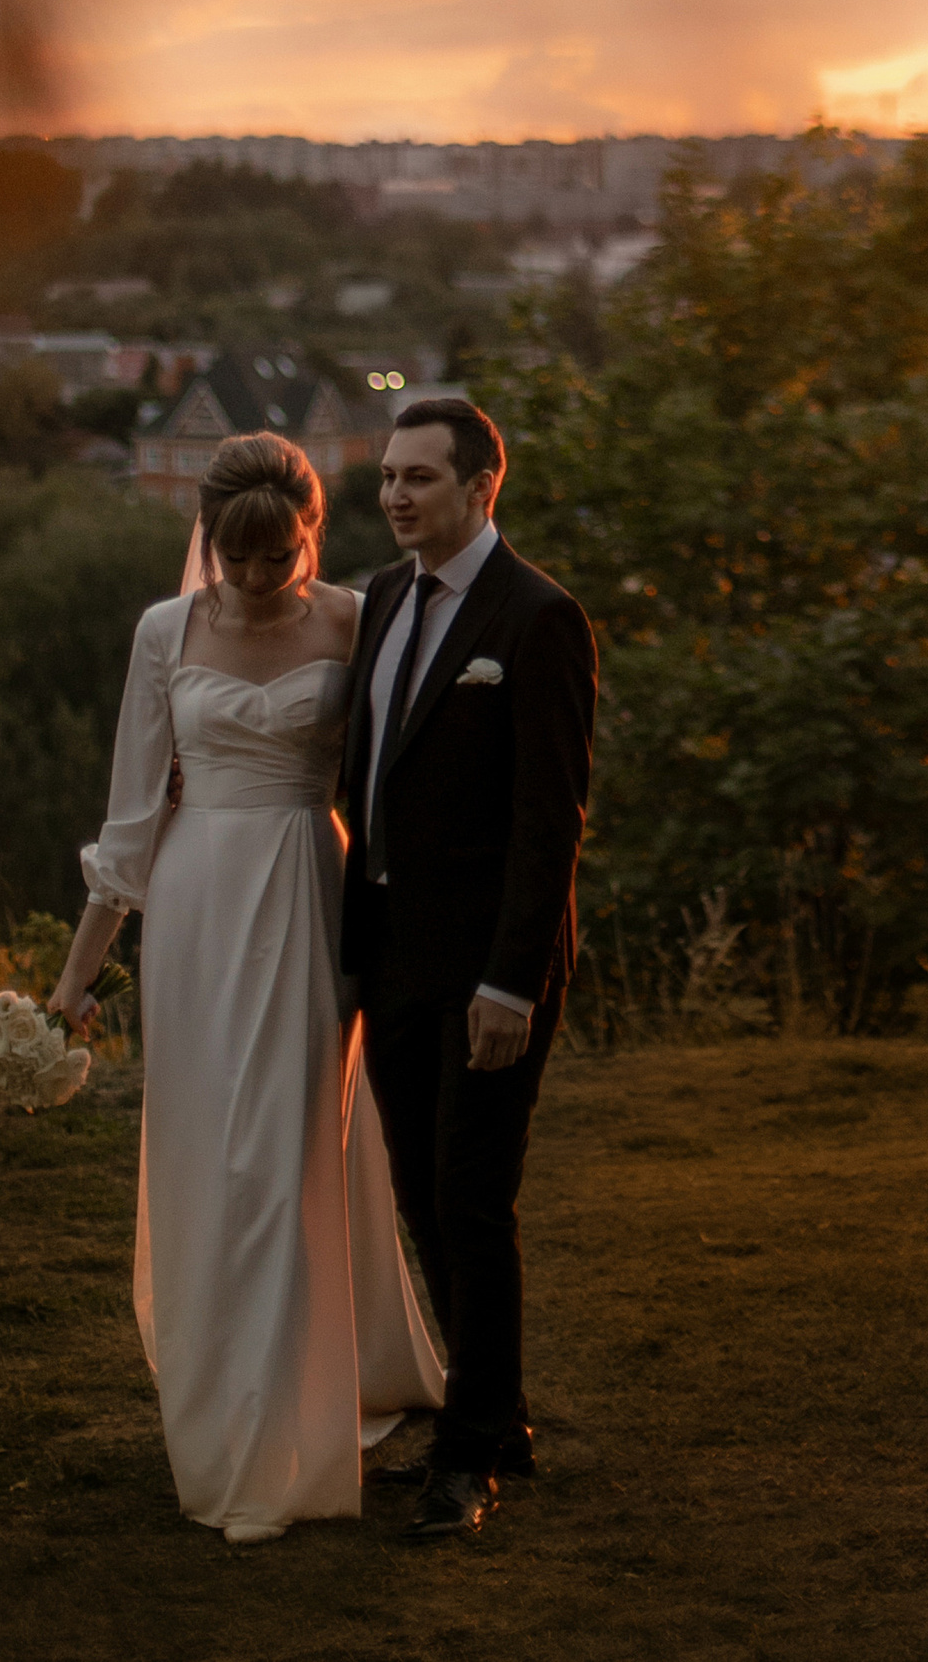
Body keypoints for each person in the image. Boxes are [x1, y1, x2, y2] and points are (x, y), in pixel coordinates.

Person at [46, 433, 444, 1544]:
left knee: (284, 1153)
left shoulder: (358, 620)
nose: (259, 577)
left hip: (310, 899)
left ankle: (289, 1424)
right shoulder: (162, 631)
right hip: (196, 908)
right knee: (205, 1157)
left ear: (310, 534)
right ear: (208, 541)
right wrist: (74, 981)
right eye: (238, 558)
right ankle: (220, 1395)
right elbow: (130, 823)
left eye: (280, 556)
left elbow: (387, 789)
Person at [344, 395, 598, 1543]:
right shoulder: (383, 599)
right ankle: (499, 1418)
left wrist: (512, 981)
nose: (397, 495)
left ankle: (466, 1456)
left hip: (492, 970)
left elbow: (553, 820)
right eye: (389, 476)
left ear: (481, 487)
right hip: (392, 958)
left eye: (421, 478)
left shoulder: (539, 617)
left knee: (470, 1198)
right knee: (417, 1194)